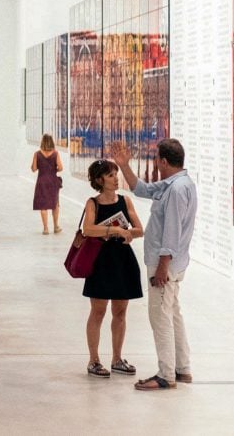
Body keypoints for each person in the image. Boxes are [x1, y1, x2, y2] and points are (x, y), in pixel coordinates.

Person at [110, 138, 198, 391]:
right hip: (174, 264)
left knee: (160, 317)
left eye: (157, 159)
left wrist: (162, 267)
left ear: (164, 161)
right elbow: (143, 189)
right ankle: (182, 368)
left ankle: (166, 375)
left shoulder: (176, 190)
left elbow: (171, 231)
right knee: (172, 314)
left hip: (166, 265)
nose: (156, 163)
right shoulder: (179, 183)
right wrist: (124, 166)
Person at [80, 158, 144, 379]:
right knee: (98, 311)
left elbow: (139, 229)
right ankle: (94, 360)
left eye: (116, 174)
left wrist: (128, 233)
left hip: (122, 260)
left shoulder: (125, 202)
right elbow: (88, 229)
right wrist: (115, 231)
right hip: (100, 262)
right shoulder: (93, 203)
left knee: (120, 311)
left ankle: (117, 358)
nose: (116, 178)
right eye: (110, 175)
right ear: (99, 180)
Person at [32, 133, 63, 235]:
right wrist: (54, 169)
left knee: (43, 205)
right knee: (55, 204)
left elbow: (34, 168)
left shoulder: (37, 154)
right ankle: (56, 226)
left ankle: (45, 228)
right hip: (53, 181)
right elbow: (61, 168)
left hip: (42, 181)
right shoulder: (55, 153)